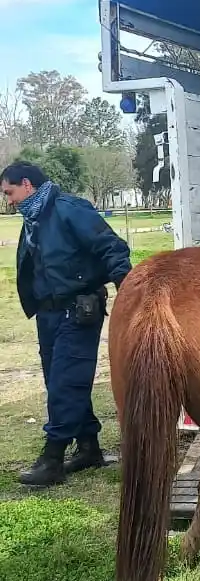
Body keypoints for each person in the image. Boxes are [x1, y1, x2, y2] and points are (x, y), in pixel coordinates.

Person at [0, 160, 132, 487]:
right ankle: (88, 447)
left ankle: (53, 458)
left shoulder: (69, 209)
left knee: (65, 382)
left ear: (27, 184)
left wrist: (130, 294)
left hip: (78, 310)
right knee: (61, 379)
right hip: (48, 313)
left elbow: (111, 247)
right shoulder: (34, 218)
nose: (8, 200)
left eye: (9, 192)